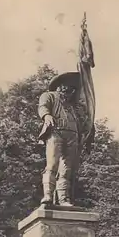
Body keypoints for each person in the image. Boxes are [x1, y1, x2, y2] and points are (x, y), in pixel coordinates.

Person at [38, 72, 82, 207]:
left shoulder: (73, 105)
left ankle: (63, 198)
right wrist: (46, 116)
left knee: (66, 168)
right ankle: (48, 195)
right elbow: (43, 106)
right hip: (55, 132)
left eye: (72, 86)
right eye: (67, 85)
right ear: (60, 85)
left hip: (72, 135)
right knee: (52, 165)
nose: (70, 88)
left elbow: (81, 119)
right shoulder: (49, 96)